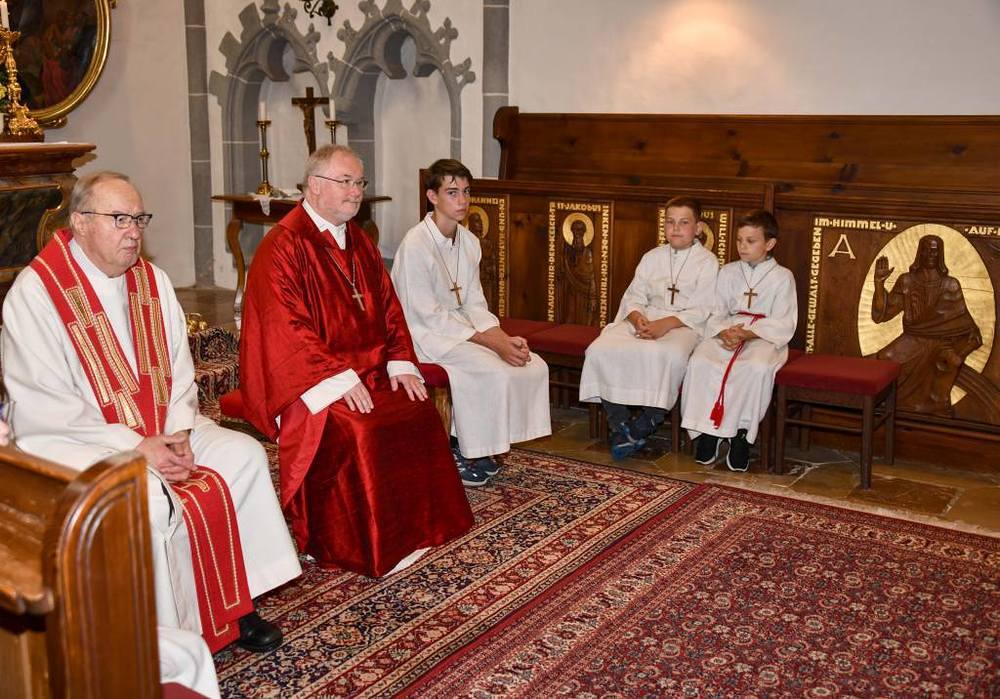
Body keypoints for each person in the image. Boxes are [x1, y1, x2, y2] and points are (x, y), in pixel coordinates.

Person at [1, 172, 301, 654]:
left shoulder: (152, 281)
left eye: (139, 219)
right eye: (119, 219)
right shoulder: (37, 294)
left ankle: (236, 605)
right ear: (80, 222)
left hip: (162, 425)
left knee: (243, 456)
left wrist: (178, 432)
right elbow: (47, 405)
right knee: (149, 495)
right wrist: (136, 448)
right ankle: (165, 639)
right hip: (75, 442)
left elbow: (180, 370)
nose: (134, 231)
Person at [239, 145, 474, 577]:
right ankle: (347, 541)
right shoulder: (284, 246)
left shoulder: (359, 240)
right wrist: (335, 377)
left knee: (418, 409)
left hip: (371, 370)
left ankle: (417, 528)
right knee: (360, 429)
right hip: (313, 381)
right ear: (314, 186)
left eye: (359, 182)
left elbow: (388, 306)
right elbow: (284, 326)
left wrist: (400, 361)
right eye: (345, 182)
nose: (355, 192)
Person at [391, 159, 551, 485]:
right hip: (423, 335)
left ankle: (486, 445)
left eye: (466, 191)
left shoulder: (469, 242)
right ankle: (464, 449)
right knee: (490, 370)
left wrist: (503, 340)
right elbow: (426, 315)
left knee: (533, 364)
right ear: (432, 196)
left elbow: (475, 304)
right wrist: (491, 343)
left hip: (461, 329)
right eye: (452, 192)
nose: (462, 200)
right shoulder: (415, 245)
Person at [579, 197, 718, 459]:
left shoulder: (707, 262)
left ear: (698, 228)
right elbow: (634, 296)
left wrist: (664, 325)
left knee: (668, 355)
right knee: (600, 349)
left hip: (683, 324)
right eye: (670, 222)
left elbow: (702, 308)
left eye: (684, 222)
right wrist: (637, 318)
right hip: (645, 319)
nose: (675, 228)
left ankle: (647, 421)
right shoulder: (652, 257)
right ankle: (621, 423)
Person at [680, 209, 797, 472]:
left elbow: (784, 321)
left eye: (751, 241)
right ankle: (707, 430)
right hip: (728, 331)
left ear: (770, 244)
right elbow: (716, 310)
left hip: (764, 337)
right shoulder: (729, 271)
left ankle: (741, 433)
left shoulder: (782, 277)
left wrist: (748, 333)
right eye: (739, 240)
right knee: (701, 360)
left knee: (754, 367)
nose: (742, 246)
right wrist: (724, 331)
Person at [871, 235, 982, 415]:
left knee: (949, 361)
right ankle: (890, 404)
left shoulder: (950, 285)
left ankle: (935, 406)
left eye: (934, 251)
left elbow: (970, 331)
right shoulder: (907, 281)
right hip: (912, 339)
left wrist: (960, 353)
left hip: (941, 343)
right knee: (885, 359)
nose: (930, 254)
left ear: (940, 255)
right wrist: (878, 284)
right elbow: (883, 315)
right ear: (919, 253)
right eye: (926, 250)